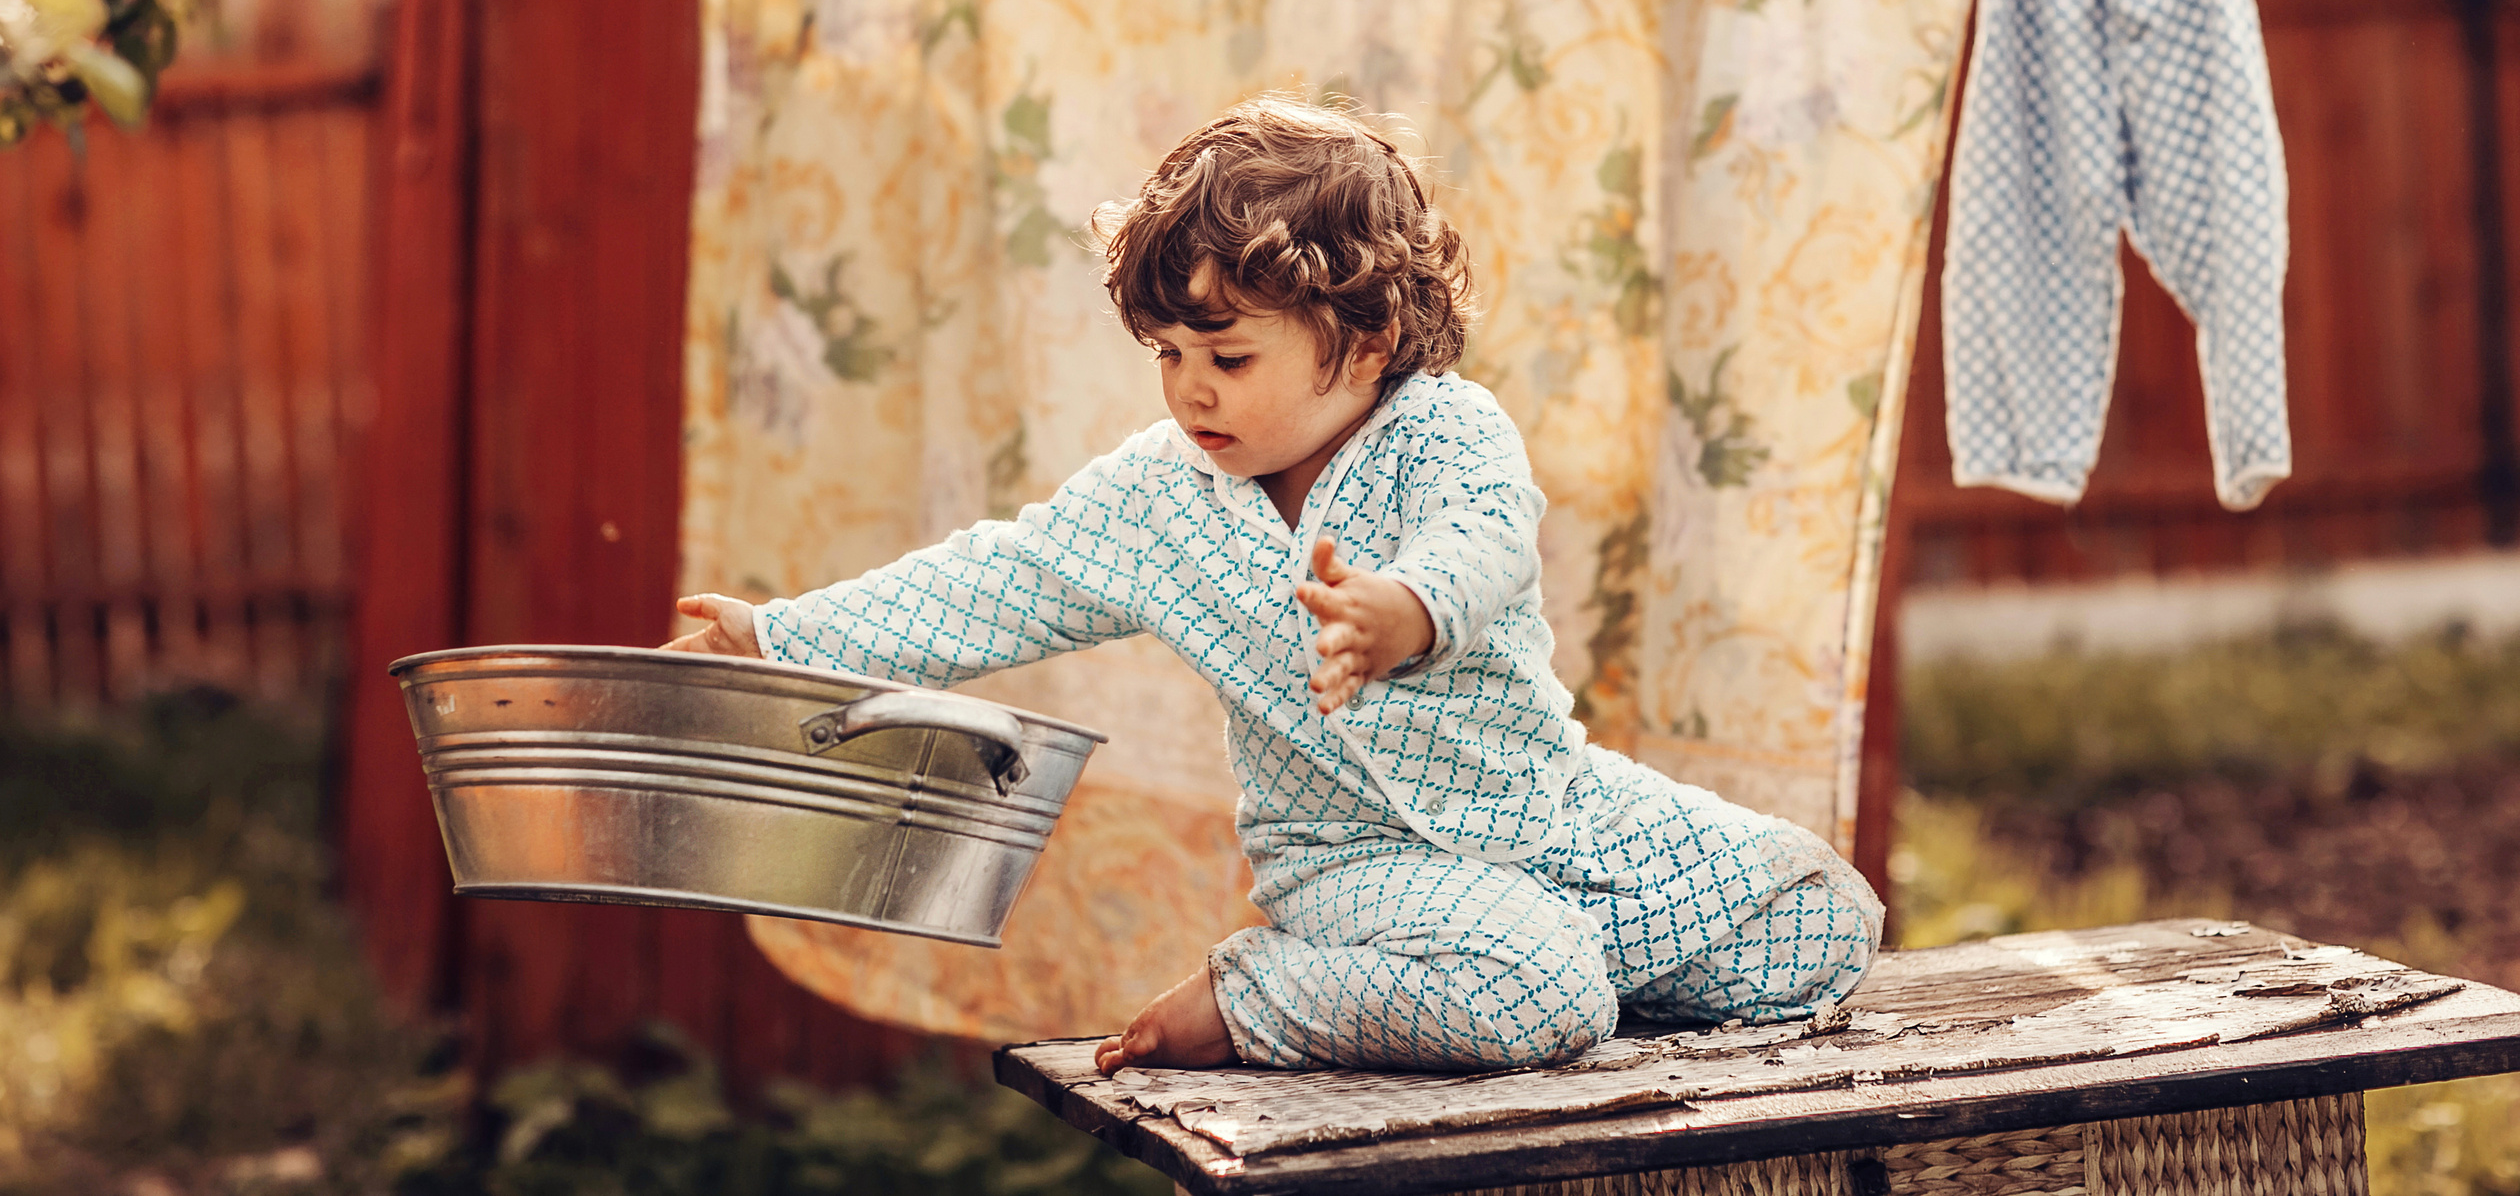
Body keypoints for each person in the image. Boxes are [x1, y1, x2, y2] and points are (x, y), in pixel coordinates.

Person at [671, 96, 1882, 1075]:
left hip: (1547, 813)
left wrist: (1404, 612)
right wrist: (778, 637)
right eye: (1168, 354)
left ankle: (1501, 972)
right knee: (1541, 991)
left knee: (1822, 919)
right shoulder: (1157, 500)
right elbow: (996, 580)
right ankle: (1263, 996)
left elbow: (1487, 536)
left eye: (1228, 354)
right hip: (1353, 863)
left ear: (1364, 338)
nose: (1189, 389)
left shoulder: (1447, 430)